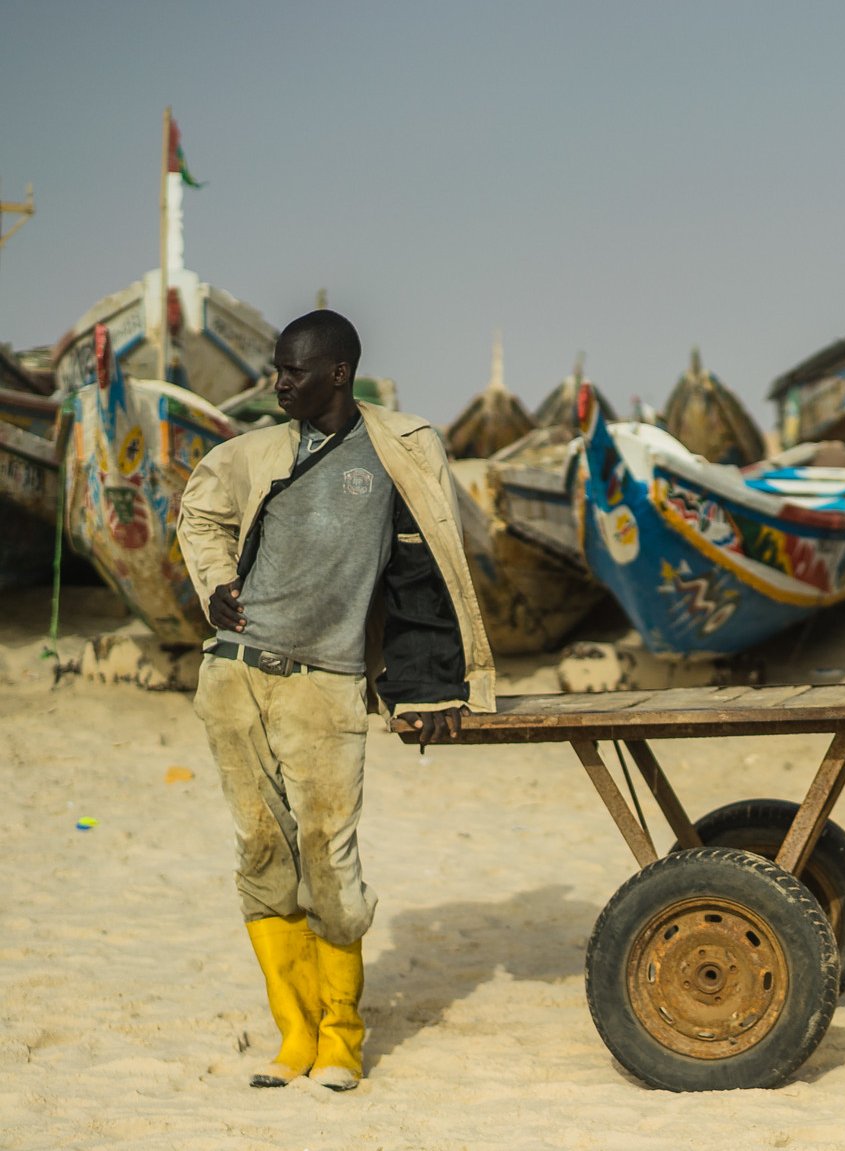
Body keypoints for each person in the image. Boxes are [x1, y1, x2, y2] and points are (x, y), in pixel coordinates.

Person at [178, 309, 494, 1091]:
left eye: (291, 370)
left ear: (337, 373)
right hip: (235, 675)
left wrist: (430, 686)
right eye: (277, 367)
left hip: (327, 682)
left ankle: (342, 1038)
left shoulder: (398, 452)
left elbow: (423, 574)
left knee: (328, 853)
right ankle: (294, 1035)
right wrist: (215, 581)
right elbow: (200, 512)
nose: (277, 382)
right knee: (261, 850)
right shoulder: (254, 451)